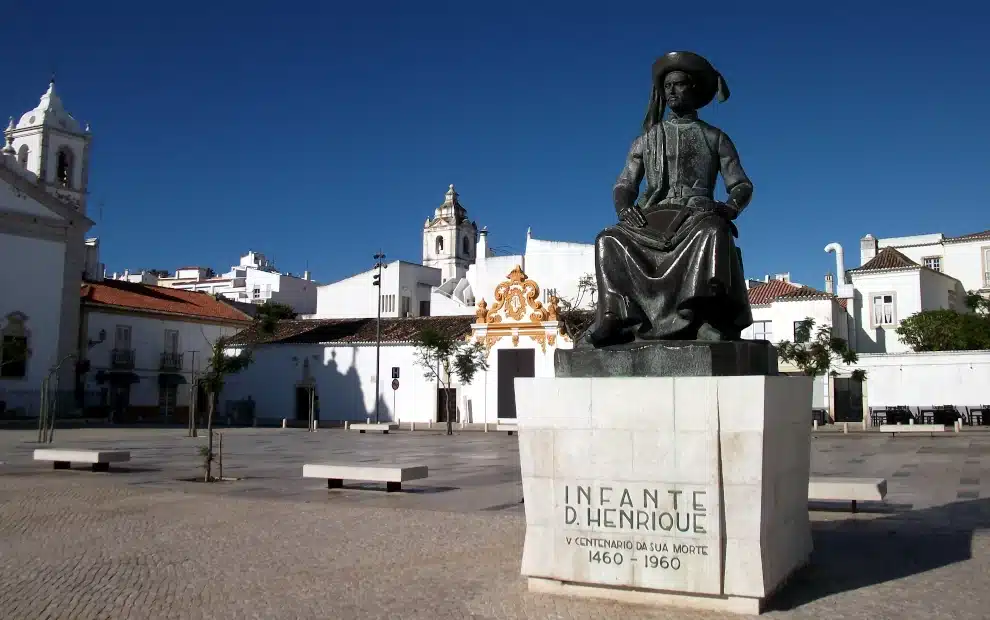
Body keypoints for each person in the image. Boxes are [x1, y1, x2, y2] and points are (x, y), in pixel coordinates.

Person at [586, 51, 755, 347]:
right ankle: (616, 315)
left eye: (678, 85)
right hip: (654, 218)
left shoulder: (715, 138)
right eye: (667, 87)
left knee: (713, 231)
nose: (672, 92)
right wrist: (625, 208)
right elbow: (625, 184)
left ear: (694, 89)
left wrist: (729, 208)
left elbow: (741, 185)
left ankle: (704, 318)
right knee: (607, 239)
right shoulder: (647, 139)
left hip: (697, 215)